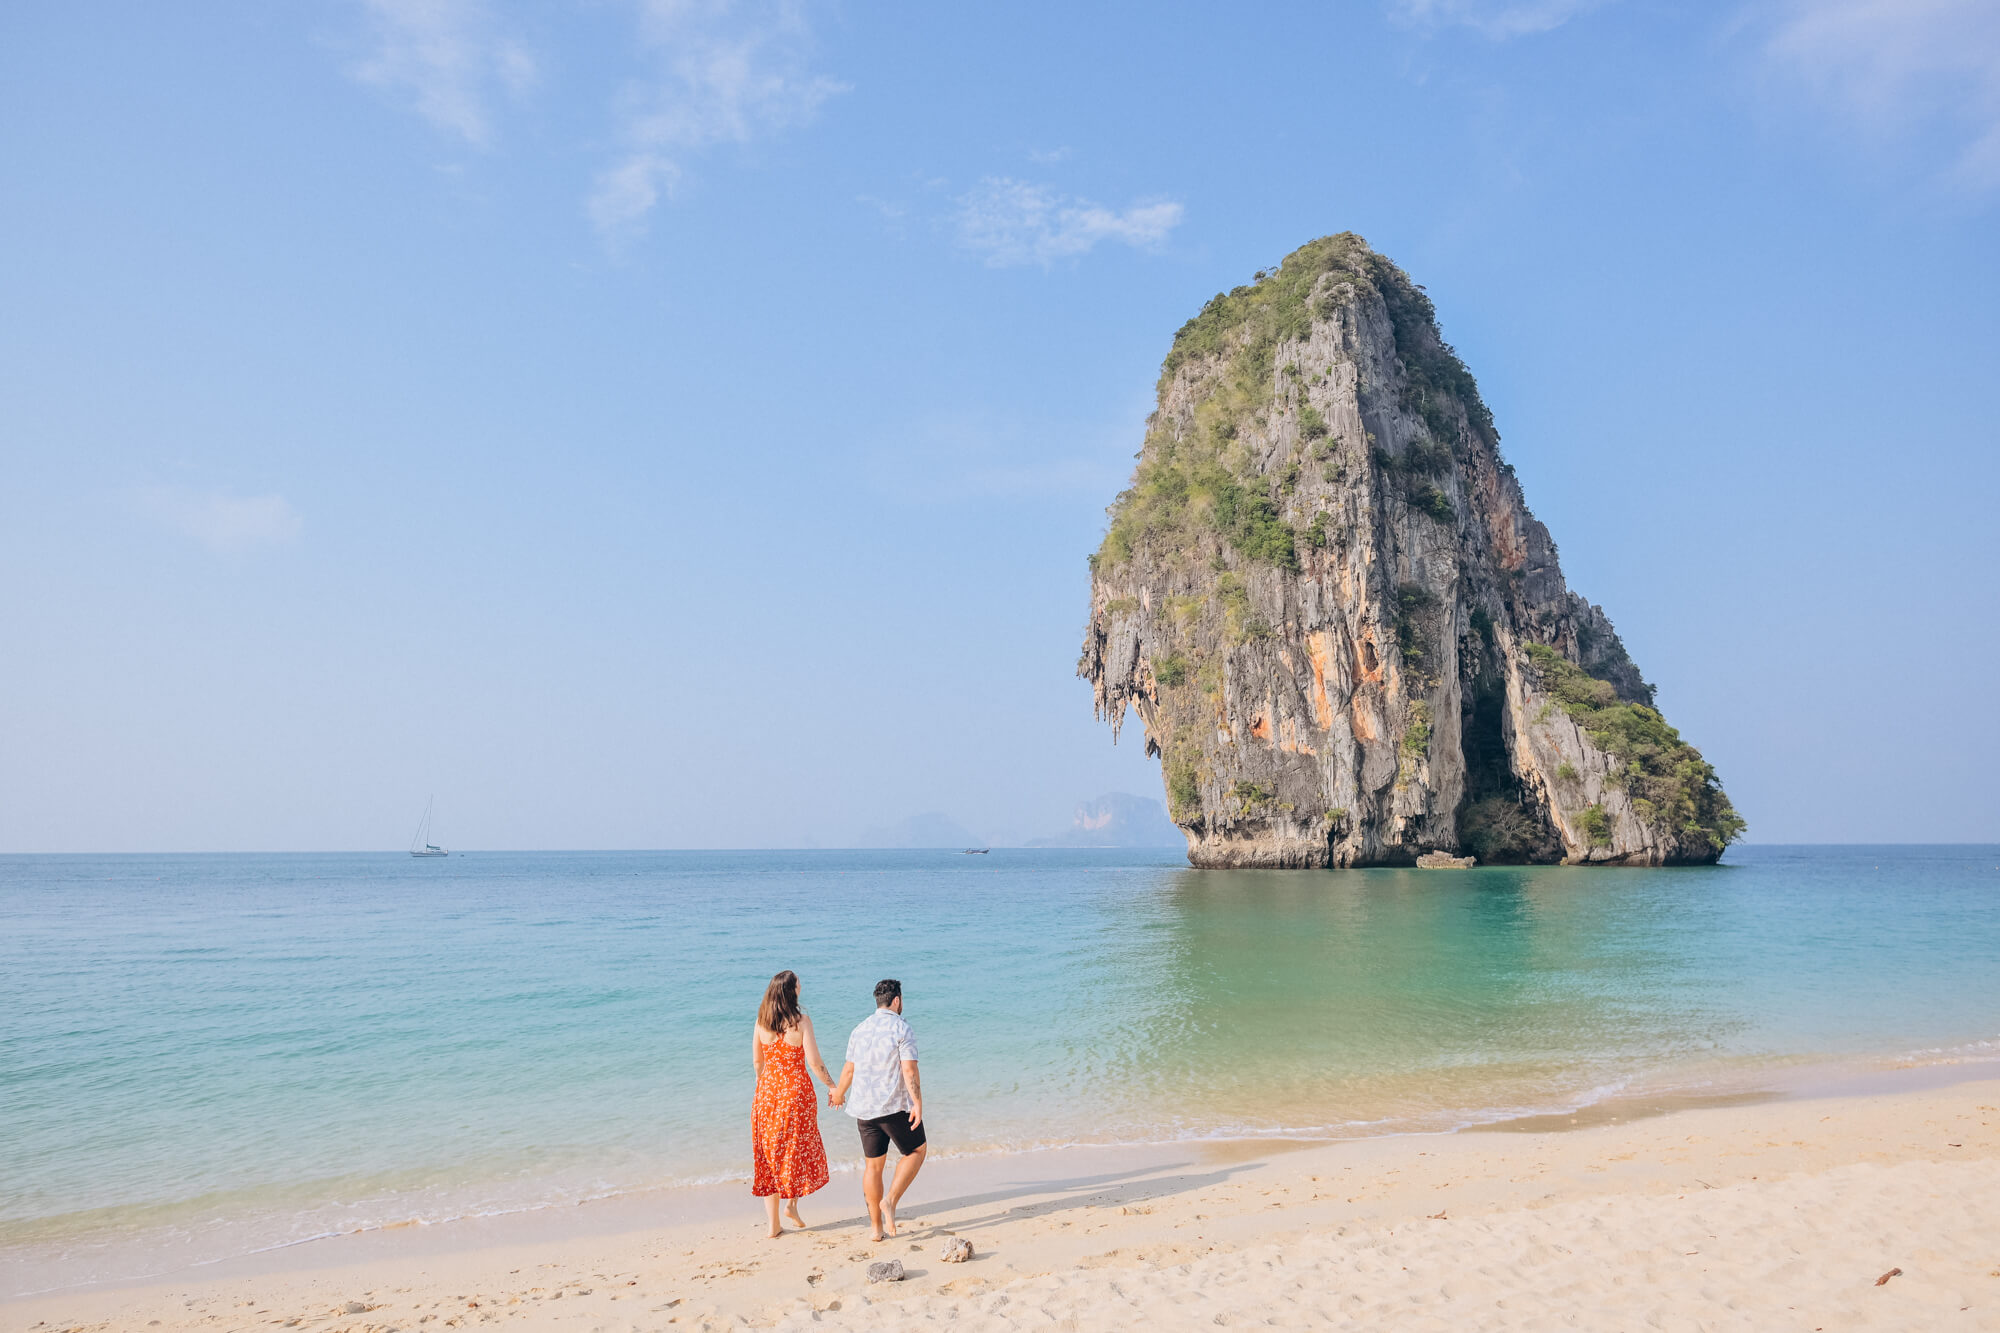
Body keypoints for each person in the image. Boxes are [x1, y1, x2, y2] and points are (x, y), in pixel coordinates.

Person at [832, 978, 925, 1241]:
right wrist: (917, 1103)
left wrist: (839, 1093)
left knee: (873, 1167)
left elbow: (849, 1069)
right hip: (893, 1107)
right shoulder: (902, 1028)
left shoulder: (859, 1029)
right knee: (917, 1150)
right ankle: (890, 1201)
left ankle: (875, 1229)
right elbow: (909, 1069)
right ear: (896, 1001)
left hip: (864, 1109)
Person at [750, 970, 837, 1238]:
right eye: (798, 982)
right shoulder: (801, 1022)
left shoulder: (761, 1023)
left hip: (766, 1095)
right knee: (794, 1152)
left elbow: (757, 1062)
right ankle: (792, 1204)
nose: (801, 984)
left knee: (769, 1157)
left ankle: (774, 1225)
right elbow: (814, 1062)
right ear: (792, 990)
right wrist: (833, 1086)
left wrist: (763, 1087)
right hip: (796, 1095)